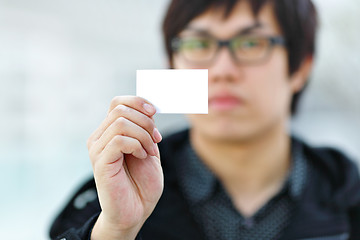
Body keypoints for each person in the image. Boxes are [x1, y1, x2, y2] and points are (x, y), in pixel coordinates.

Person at [50, 0, 360, 239]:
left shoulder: (349, 193)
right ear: (171, 66)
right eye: (199, 45)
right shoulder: (113, 194)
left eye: (251, 43)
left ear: (300, 68)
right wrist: (116, 230)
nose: (223, 69)